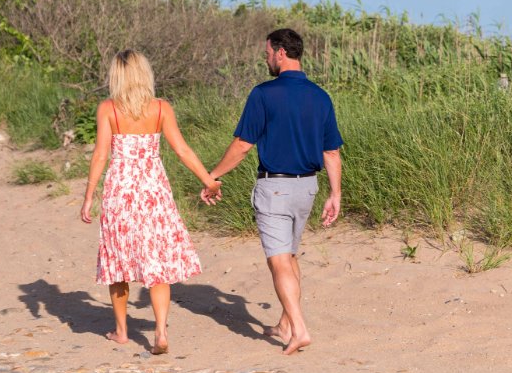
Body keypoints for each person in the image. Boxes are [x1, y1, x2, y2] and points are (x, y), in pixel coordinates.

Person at [201, 28, 342, 355]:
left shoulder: (263, 94)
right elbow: (331, 152)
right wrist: (335, 194)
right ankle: (284, 324)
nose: (265, 56)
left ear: (280, 52)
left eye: (267, 51)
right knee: (290, 257)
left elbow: (243, 144)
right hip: (308, 188)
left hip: (274, 187)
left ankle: (300, 329)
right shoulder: (321, 97)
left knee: (279, 262)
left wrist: (213, 175)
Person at [82, 50, 218, 356]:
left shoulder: (108, 109)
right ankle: (159, 331)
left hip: (120, 193)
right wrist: (207, 180)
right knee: (156, 263)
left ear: (116, 75)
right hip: (154, 192)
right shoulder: (160, 108)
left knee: (118, 263)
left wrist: (89, 195)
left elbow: (101, 155)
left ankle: (121, 331)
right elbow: (182, 149)